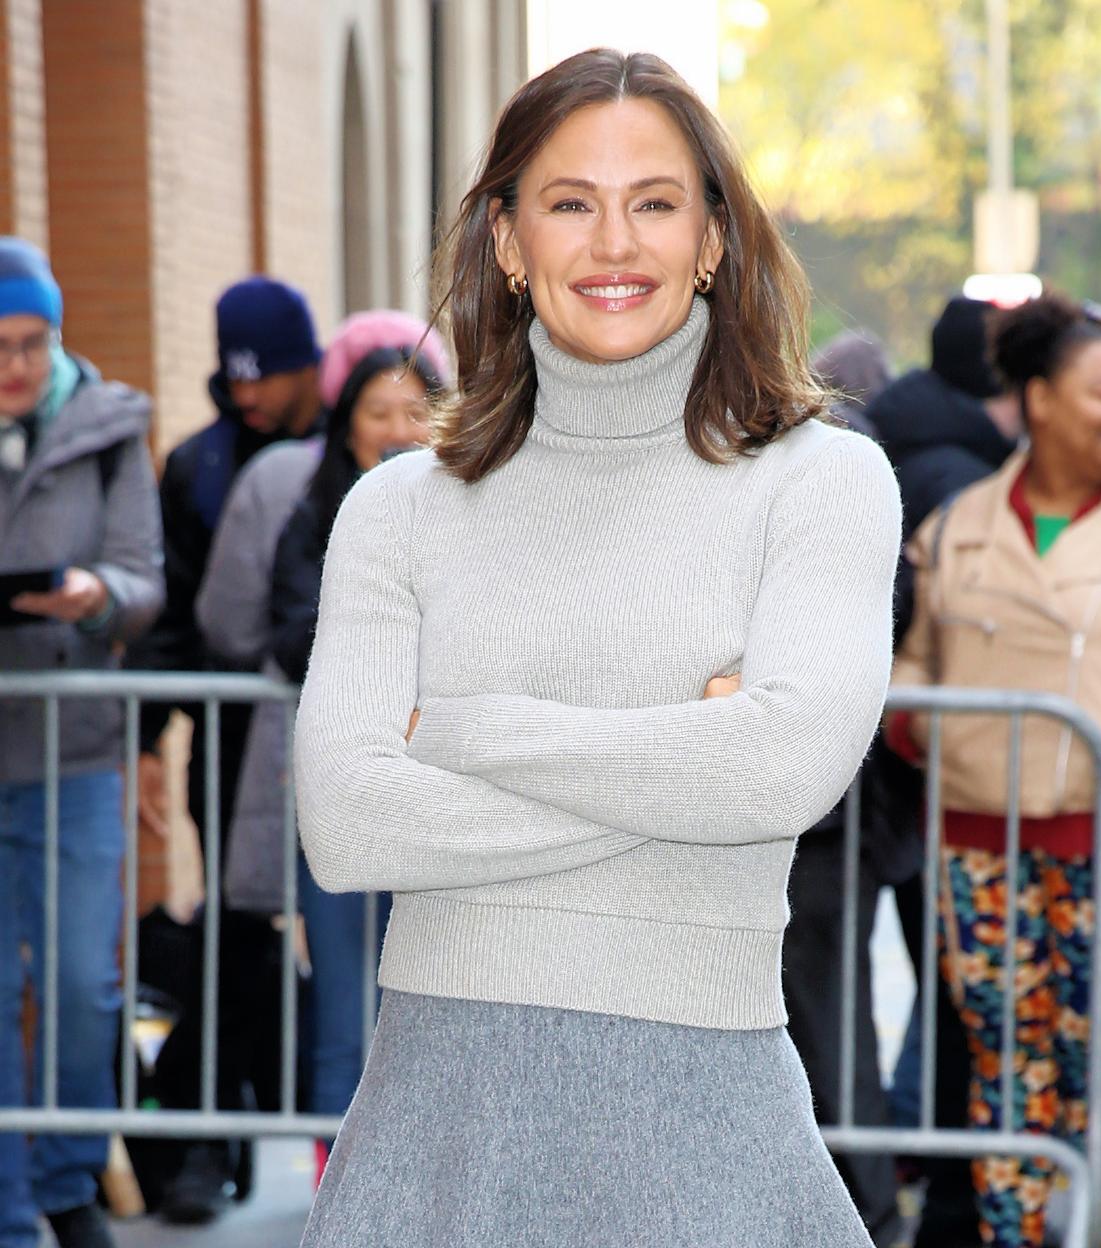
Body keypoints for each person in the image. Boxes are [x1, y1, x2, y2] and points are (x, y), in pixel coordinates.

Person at [293, 48, 900, 1247]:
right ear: (510, 242)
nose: (613, 244)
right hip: (437, 1139)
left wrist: (468, 733)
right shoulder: (397, 508)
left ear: (714, 238)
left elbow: (783, 771)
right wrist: (693, 747)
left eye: (656, 203)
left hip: (710, 1136)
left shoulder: (822, 482)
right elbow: (347, 822)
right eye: (570, 202)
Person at [892, 290, 1101, 1248]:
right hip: (980, 842)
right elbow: (917, 660)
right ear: (1038, 400)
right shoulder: (958, 526)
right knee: (1006, 1068)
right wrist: (924, 727)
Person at [201, 315, 447, 1184]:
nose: (396, 428)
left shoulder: (467, 507)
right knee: (342, 997)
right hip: (341, 786)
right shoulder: (318, 511)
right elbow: (286, 630)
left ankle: (421, 1182)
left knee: (428, 997)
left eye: (414, 409)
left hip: (443, 793)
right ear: (347, 423)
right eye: (378, 410)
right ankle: (341, 1186)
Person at [123, 274, 323, 1223]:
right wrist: (150, 739)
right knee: (237, 931)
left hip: (334, 729)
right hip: (232, 735)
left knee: (292, 941)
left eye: (268, 376)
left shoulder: (352, 442)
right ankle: (206, 1144)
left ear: (308, 366)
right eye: (235, 376)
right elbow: (171, 614)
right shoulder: (198, 464)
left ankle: (220, 1136)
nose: (248, 394)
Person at [0, 238, 164, 1248]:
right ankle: (11, 1208)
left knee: (78, 982)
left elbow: (145, 578)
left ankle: (66, 1184)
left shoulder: (111, 430)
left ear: (59, 336)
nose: (15, 364)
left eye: (33, 342)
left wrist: (98, 595)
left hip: (76, 747)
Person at [868, 293, 1020, 1247]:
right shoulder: (966, 483)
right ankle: (945, 1204)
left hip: (895, 783)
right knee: (964, 999)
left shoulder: (896, 442)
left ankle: (920, 1184)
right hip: (931, 789)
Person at [783, 325, 903, 1245]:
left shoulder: (838, 471)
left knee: (825, 1015)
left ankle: (857, 1202)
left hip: (819, 810)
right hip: (806, 803)